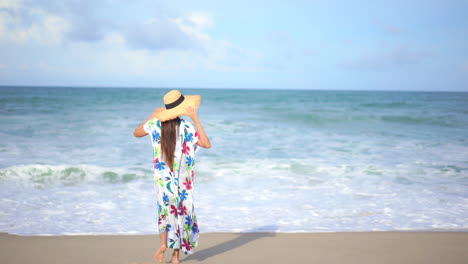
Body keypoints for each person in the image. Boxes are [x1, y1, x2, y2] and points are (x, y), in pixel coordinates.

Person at [133, 90, 211, 264]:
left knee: (164, 214)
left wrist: (152, 116)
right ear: (181, 110)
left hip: (162, 181)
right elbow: (206, 144)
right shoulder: (186, 128)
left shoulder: (155, 125)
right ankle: (175, 257)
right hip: (182, 183)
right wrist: (195, 118)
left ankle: (162, 245)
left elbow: (137, 132)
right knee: (180, 215)